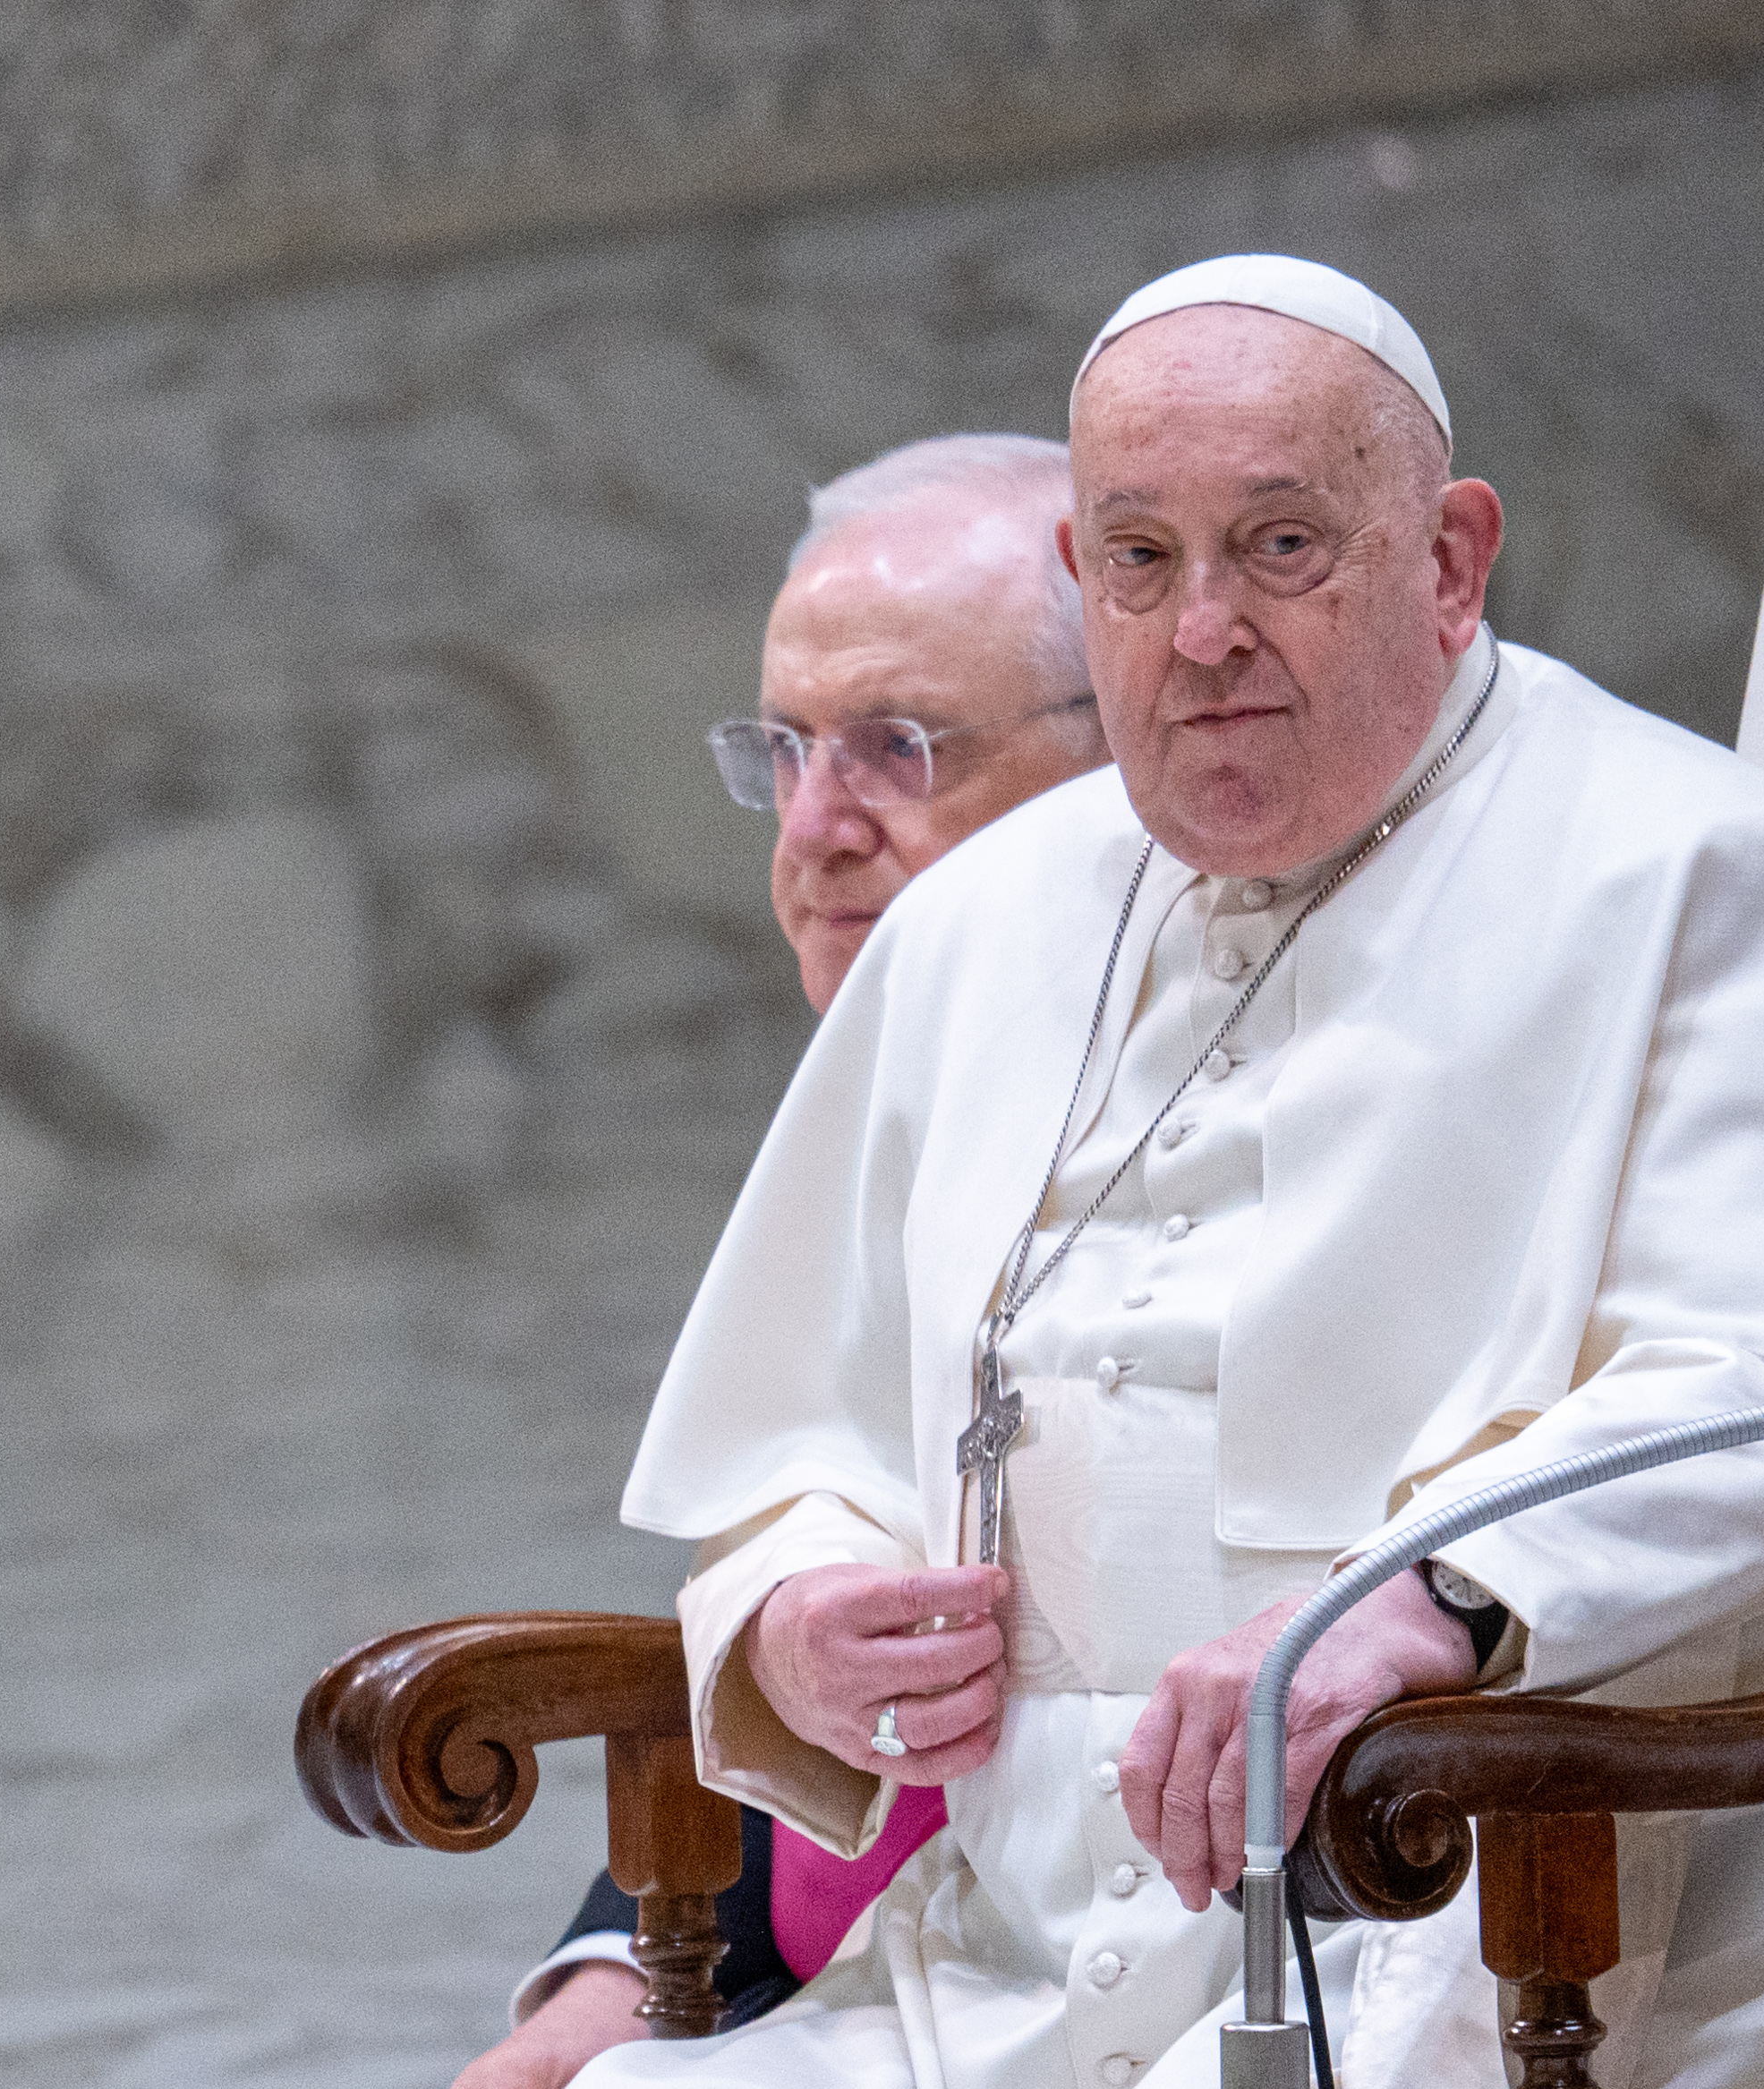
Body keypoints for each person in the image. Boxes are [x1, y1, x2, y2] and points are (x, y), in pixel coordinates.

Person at [584, 256, 1764, 2089]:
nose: (1204, 626)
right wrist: (798, 1618)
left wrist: (1422, 1600)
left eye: (1282, 545)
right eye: (1141, 559)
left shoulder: (1708, 878)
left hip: (1625, 1898)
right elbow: (799, 1444)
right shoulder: (973, 926)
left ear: (1451, 561)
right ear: (1085, 584)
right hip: (1028, 1963)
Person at [457, 432, 1112, 2089]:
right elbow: (822, 1600)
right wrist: (609, 1973)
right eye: (785, 750)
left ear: (1126, 746)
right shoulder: (882, 1097)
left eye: (897, 749)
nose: (815, 829)